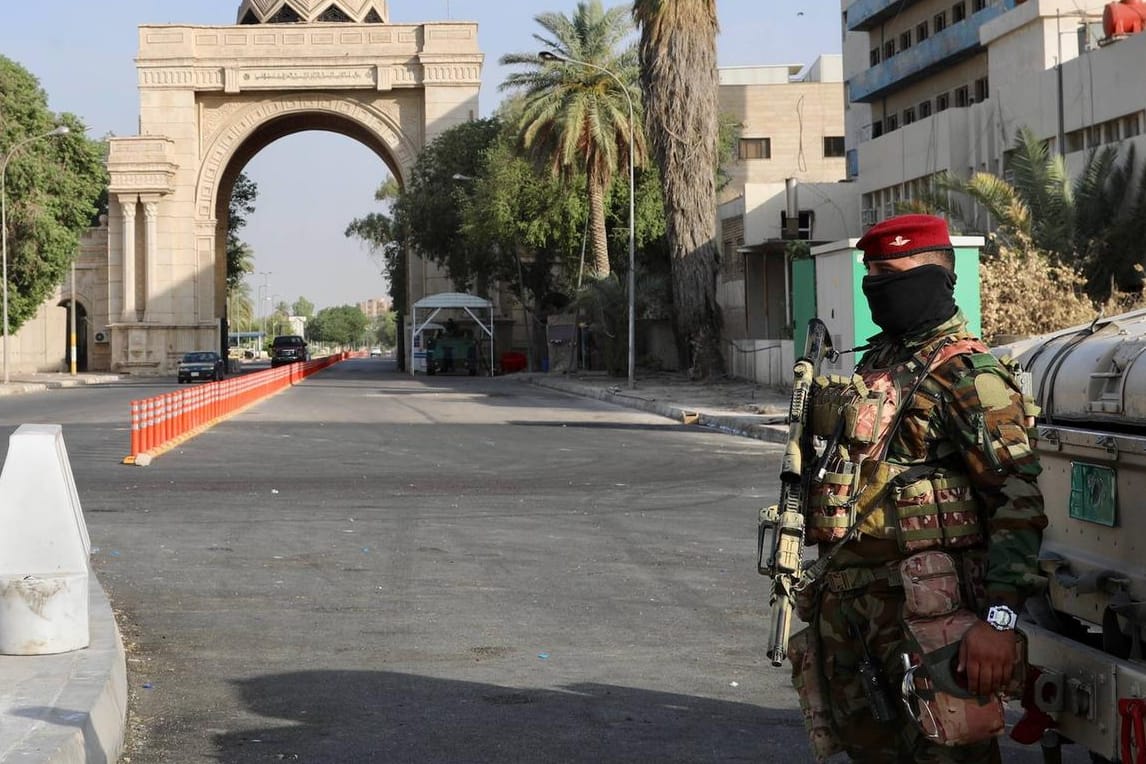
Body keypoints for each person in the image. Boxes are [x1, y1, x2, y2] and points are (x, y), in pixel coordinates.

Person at [792, 214, 1047, 762]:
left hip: (931, 620)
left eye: (890, 275)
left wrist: (999, 620)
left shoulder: (968, 375)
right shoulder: (884, 361)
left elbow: (1017, 500)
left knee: (947, 754)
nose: (876, 289)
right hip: (859, 611)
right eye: (870, 275)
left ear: (934, 278)